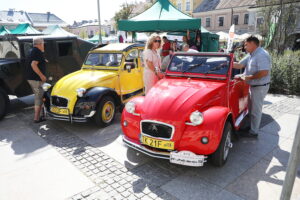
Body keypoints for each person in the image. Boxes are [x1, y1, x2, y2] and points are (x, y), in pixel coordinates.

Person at [233, 36, 271, 138]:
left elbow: (264, 72)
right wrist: (226, 62)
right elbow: (240, 65)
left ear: (253, 44)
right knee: (250, 108)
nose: (244, 47)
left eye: (246, 44)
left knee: (256, 110)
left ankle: (254, 132)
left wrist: (249, 77)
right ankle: (251, 127)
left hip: (259, 87)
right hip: (252, 85)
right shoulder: (251, 54)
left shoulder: (261, 55)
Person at [26, 37, 47, 123]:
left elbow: (35, 61)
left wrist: (44, 60)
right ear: (40, 44)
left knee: (39, 97)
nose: (44, 45)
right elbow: (33, 64)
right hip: (36, 79)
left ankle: (41, 116)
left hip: (31, 78)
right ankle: (36, 118)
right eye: (43, 43)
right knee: (38, 98)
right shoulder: (37, 52)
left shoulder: (32, 51)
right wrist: (42, 76)